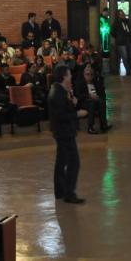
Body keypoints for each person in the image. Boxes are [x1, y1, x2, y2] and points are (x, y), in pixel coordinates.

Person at [48, 65, 87, 204]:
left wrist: (72, 102)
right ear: (64, 76)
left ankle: (60, 192)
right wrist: (77, 113)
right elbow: (61, 115)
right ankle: (69, 193)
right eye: (69, 74)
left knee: (61, 162)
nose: (71, 77)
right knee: (73, 162)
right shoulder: (57, 93)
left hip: (63, 131)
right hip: (64, 132)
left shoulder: (60, 90)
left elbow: (64, 109)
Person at [74, 64, 111, 134]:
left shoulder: (96, 82)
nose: (89, 76)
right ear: (84, 74)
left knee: (101, 102)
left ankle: (103, 125)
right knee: (91, 104)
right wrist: (89, 96)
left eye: (91, 74)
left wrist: (98, 97)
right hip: (84, 102)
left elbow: (102, 92)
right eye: (87, 74)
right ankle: (90, 127)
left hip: (95, 100)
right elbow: (79, 95)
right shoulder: (79, 83)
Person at [110, 10, 131, 75]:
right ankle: (128, 71)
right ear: (118, 15)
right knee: (125, 57)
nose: (122, 15)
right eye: (121, 14)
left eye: (123, 14)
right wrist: (118, 37)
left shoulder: (127, 21)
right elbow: (112, 32)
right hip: (121, 43)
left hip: (129, 41)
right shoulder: (116, 22)